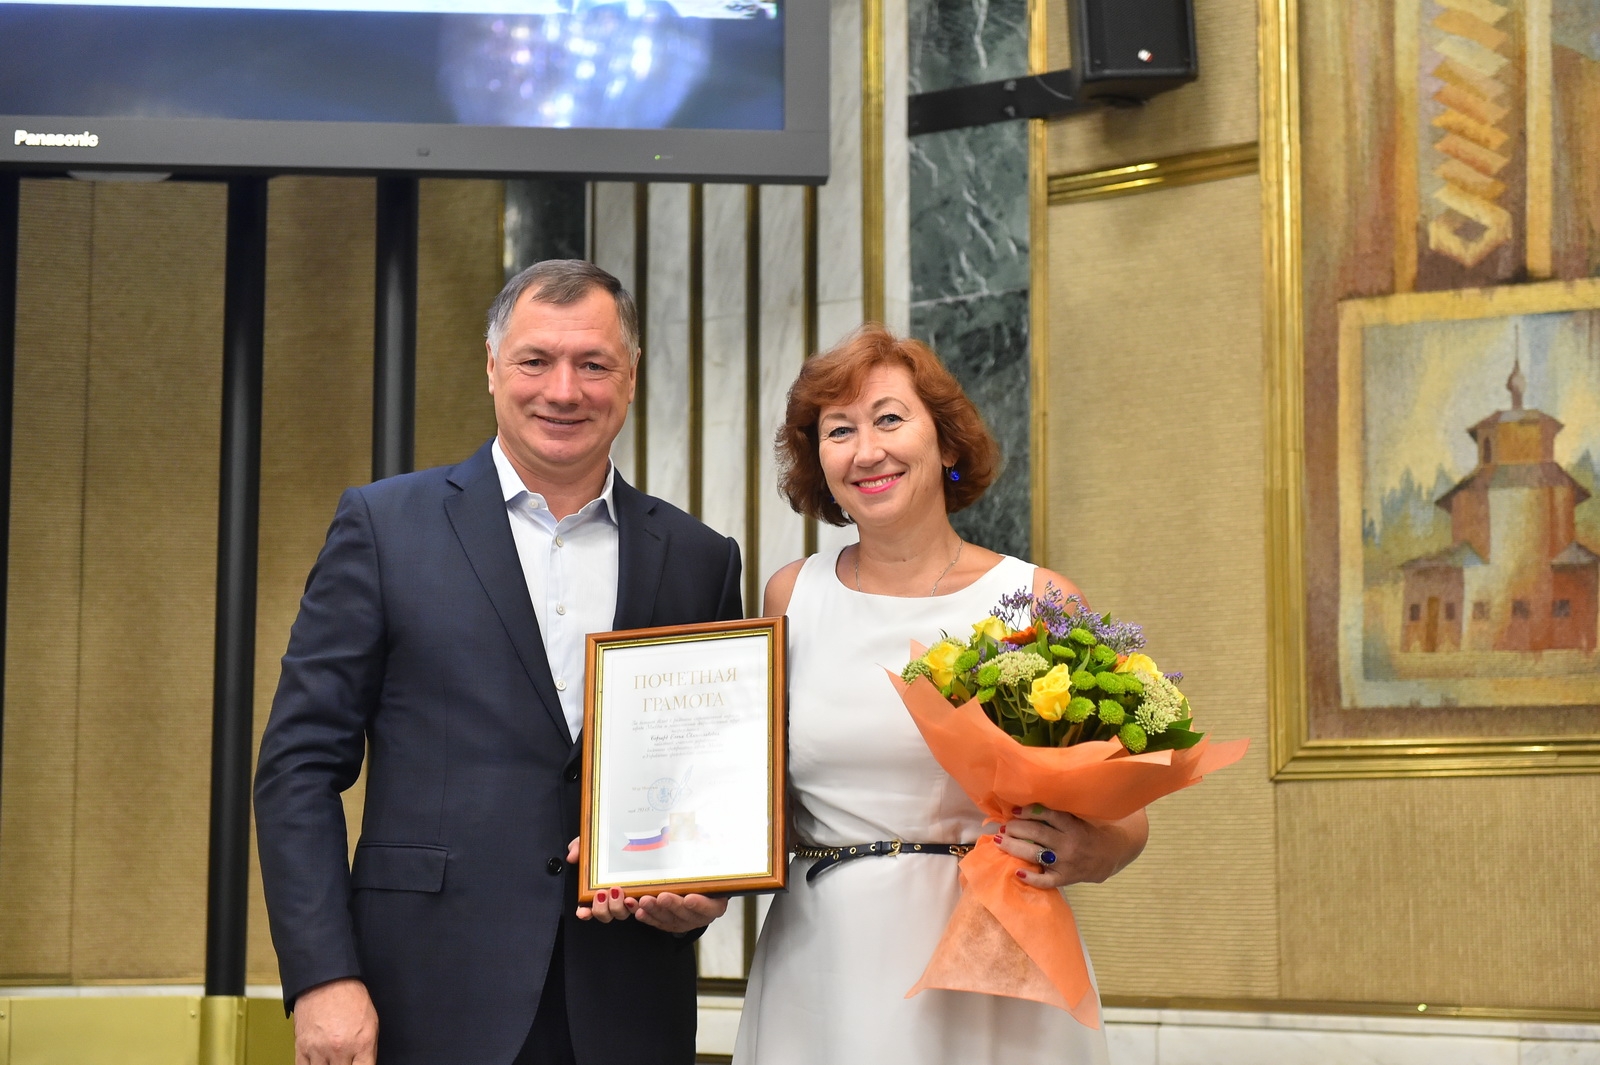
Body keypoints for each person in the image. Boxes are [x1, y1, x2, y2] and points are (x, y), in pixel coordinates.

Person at [254, 260, 737, 1065]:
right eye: (535, 360)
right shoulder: (384, 527)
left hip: (628, 1004)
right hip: (422, 996)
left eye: (593, 364)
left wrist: (707, 887)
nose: (564, 390)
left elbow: (715, 773)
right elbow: (297, 767)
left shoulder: (698, 557)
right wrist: (323, 976)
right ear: (490, 366)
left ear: (630, 375)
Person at [732, 326, 1149, 1064]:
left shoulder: (1038, 598)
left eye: (889, 419)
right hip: (826, 963)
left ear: (946, 439)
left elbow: (1129, 817)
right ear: (818, 460)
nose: (867, 451)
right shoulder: (790, 596)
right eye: (839, 430)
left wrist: (1090, 849)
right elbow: (748, 793)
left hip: (998, 956)